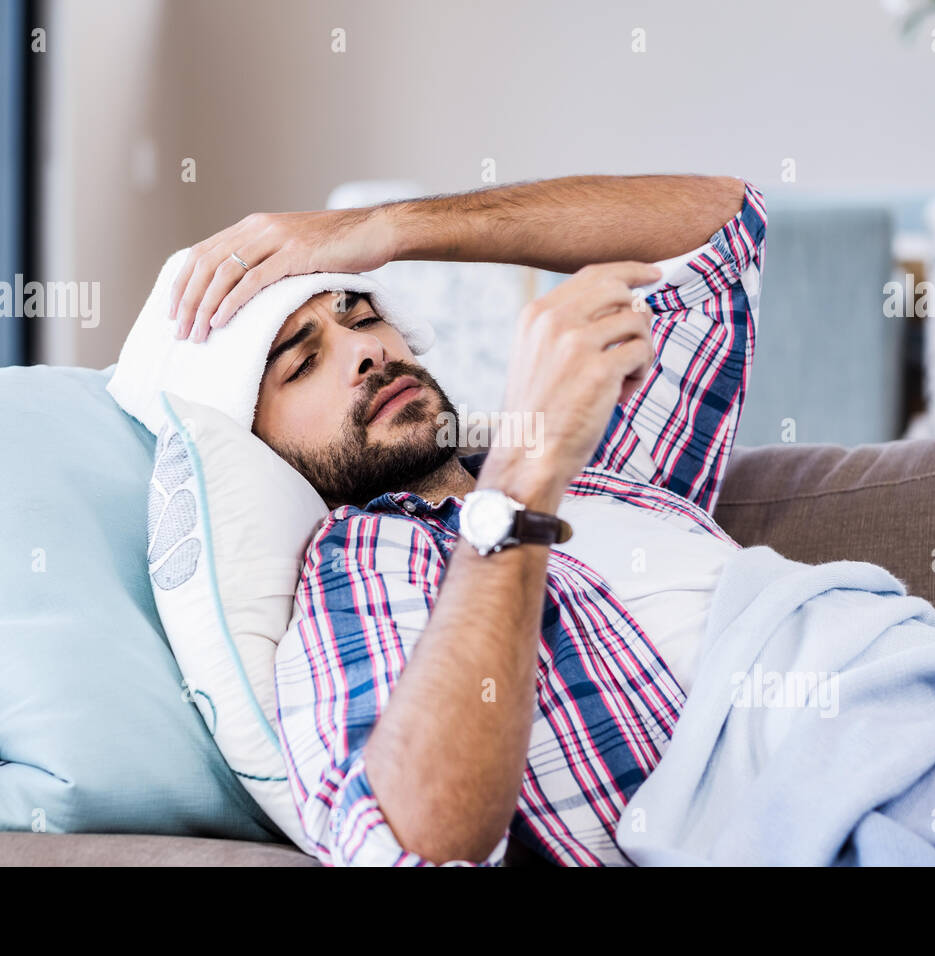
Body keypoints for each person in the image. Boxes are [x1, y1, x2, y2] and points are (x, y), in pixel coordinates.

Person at [168, 173, 767, 865]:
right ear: (259, 443)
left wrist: (391, 227)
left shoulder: (590, 458)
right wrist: (520, 486)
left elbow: (721, 229)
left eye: (363, 317)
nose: (369, 351)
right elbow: (404, 841)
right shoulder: (369, 557)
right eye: (303, 362)